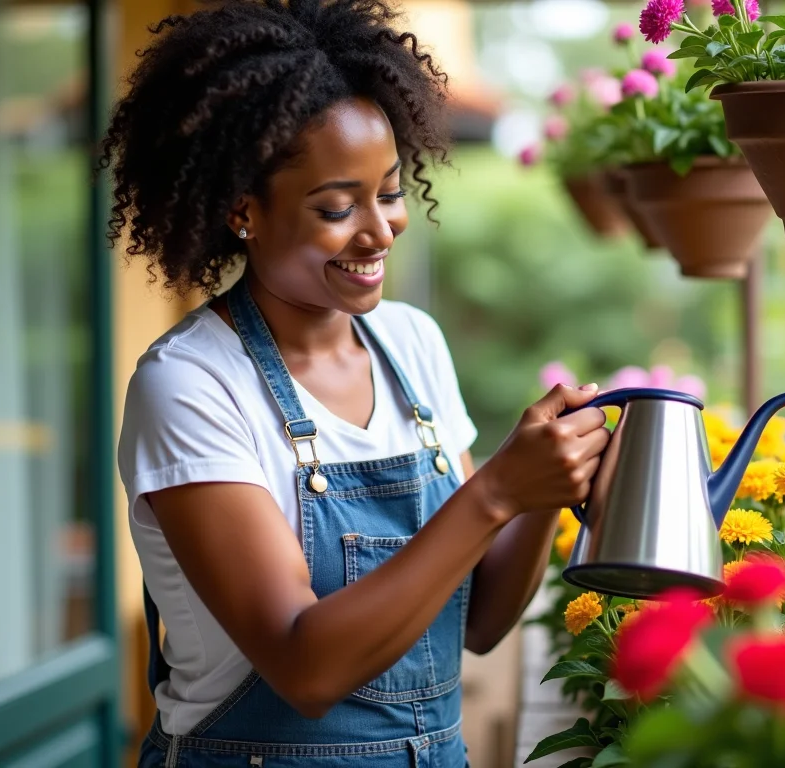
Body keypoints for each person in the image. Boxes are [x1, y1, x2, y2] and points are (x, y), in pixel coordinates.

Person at [102, 1, 611, 765]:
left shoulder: (413, 344)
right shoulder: (191, 386)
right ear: (243, 210)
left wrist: (543, 486)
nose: (379, 231)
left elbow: (478, 623)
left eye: (391, 191)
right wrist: (498, 491)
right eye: (337, 207)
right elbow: (307, 668)